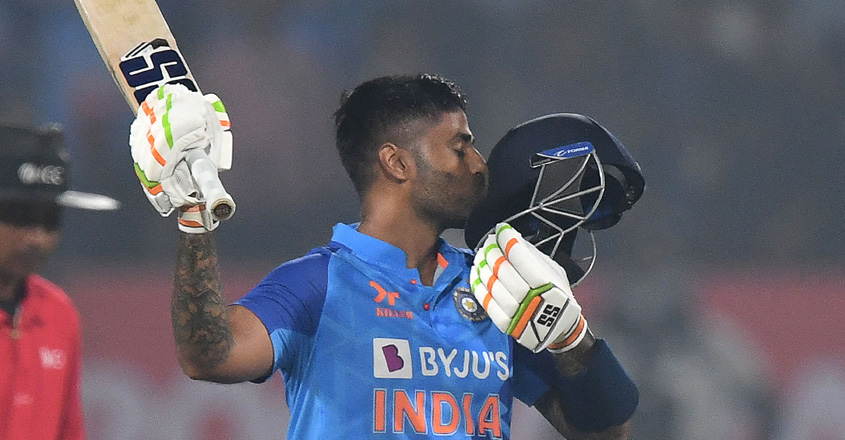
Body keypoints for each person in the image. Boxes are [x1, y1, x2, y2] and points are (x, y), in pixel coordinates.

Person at [129, 74, 638, 439]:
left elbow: (606, 435)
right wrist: (194, 215)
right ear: (397, 162)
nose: (480, 165)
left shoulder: (494, 288)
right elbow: (208, 356)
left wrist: (573, 339)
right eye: (460, 147)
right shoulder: (316, 283)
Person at [0, 124, 119, 440]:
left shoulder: (57, 313)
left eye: (50, 220)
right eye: (21, 217)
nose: (36, 238)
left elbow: (69, 431)